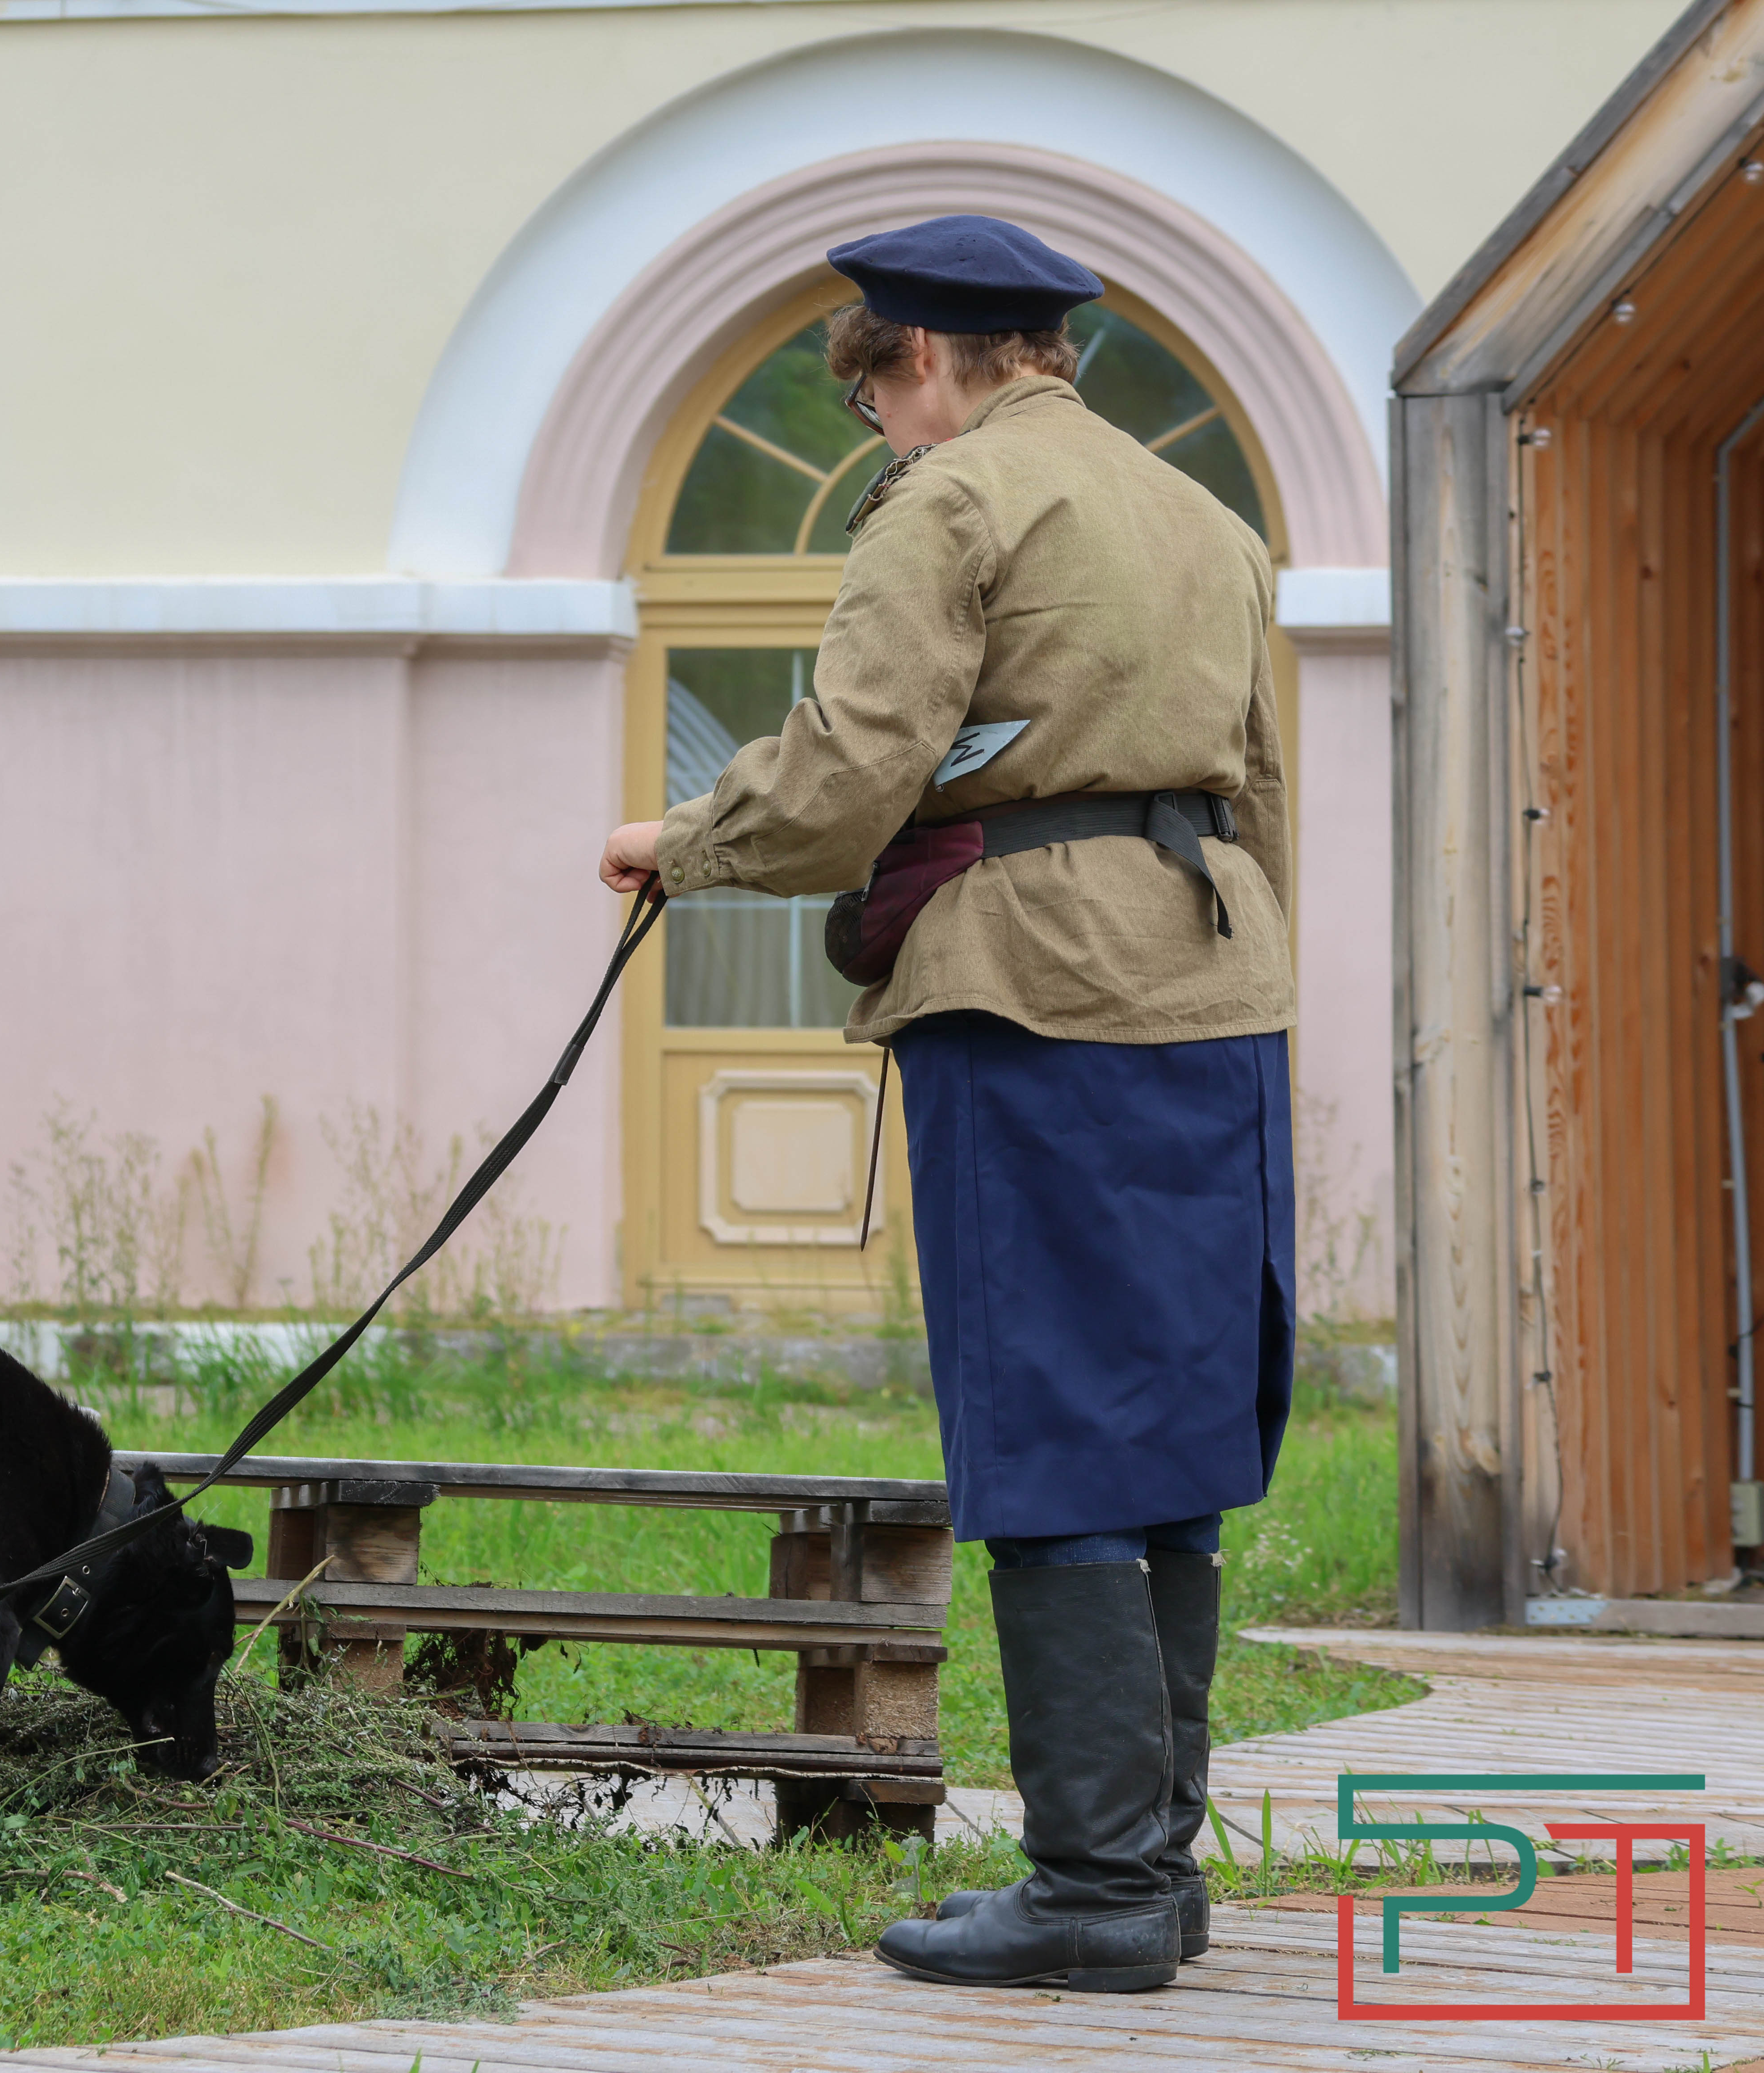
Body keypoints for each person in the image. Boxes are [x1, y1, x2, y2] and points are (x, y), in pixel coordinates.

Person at [598, 214, 1293, 1996]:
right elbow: (1265, 798)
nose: (880, 440)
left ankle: (1092, 1885)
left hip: (1032, 991)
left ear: (919, 358)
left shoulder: (957, 503)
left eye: (876, 398)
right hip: (1217, 995)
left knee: (1057, 1423)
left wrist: (678, 840)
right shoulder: (1209, 521)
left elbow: (845, 777)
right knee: (1173, 1445)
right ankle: (1156, 1863)